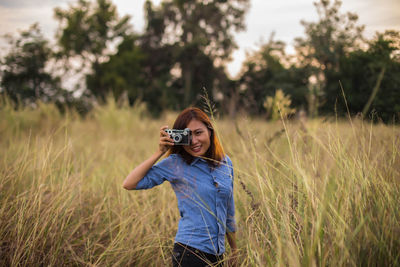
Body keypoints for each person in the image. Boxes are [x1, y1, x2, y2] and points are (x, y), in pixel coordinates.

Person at [122, 107, 238, 267]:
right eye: (187, 136)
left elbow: (228, 210)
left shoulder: (225, 163)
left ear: (209, 131)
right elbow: (129, 183)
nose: (194, 142)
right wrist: (159, 152)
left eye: (198, 133)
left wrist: (234, 249)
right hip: (190, 253)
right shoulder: (175, 164)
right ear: (179, 138)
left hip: (218, 254)